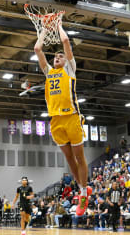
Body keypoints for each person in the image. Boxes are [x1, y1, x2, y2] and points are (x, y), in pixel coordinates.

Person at [33, 20, 90, 217]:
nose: (57, 57)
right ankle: (82, 186)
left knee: (79, 157)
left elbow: (65, 40)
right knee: (68, 159)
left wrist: (57, 24)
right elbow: (37, 48)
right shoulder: (49, 72)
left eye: (60, 56)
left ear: (67, 60)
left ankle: (83, 193)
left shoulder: (70, 69)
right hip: (56, 120)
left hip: (72, 117)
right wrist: (43, 30)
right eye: (55, 56)